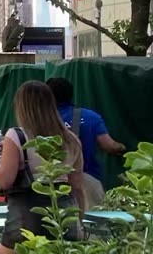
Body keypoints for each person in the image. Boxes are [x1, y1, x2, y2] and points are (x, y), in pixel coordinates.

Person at [0, 81, 87, 249]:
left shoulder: (17, 136)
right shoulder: (71, 139)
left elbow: (5, 180)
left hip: (25, 219)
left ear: (21, 107)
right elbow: (77, 187)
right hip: (64, 216)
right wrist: (79, 221)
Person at [46, 77, 126, 209]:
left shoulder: (40, 120)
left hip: (51, 184)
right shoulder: (90, 117)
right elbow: (109, 146)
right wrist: (123, 147)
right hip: (87, 182)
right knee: (93, 224)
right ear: (70, 94)